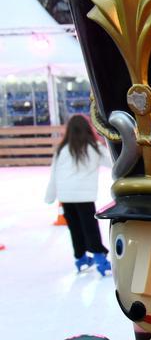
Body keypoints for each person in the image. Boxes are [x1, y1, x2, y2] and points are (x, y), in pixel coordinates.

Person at [44, 114, 111, 275]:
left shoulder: (62, 150)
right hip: (84, 197)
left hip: (66, 197)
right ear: (88, 129)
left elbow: (54, 174)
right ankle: (100, 259)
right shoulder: (94, 147)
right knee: (90, 228)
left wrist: (50, 197)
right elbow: (113, 163)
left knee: (75, 228)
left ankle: (80, 259)